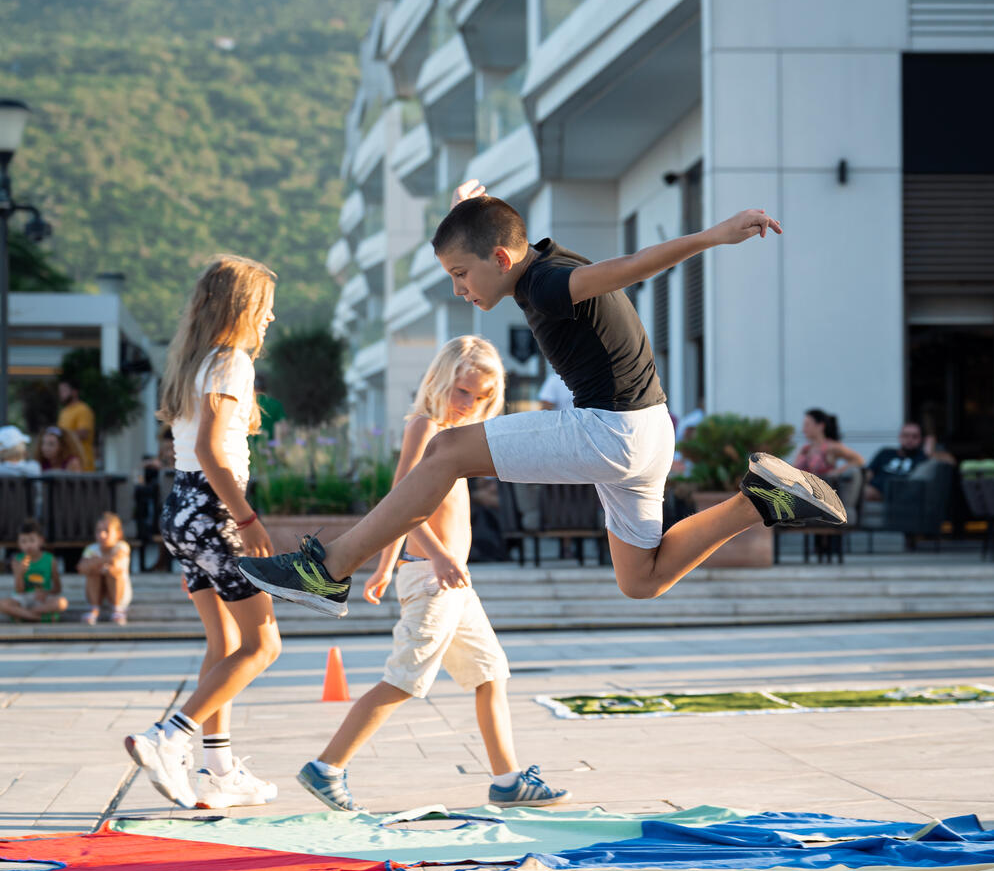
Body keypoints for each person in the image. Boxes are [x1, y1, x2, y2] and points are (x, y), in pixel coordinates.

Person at [240, 183, 846, 619]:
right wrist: (468, 203)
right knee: (643, 579)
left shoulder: (550, 284)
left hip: (611, 431)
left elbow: (629, 266)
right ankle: (757, 501)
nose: (459, 289)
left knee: (446, 447)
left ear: (500, 260)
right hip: (647, 432)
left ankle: (329, 567)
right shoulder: (529, 262)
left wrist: (711, 237)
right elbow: (491, 233)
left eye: (460, 274)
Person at [297, 336, 568, 812]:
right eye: (463, 391)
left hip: (451, 583)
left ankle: (507, 780)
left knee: (490, 673)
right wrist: (436, 557)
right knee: (404, 678)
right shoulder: (425, 427)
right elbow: (401, 503)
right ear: (440, 381)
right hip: (433, 577)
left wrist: (384, 567)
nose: (470, 404)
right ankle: (327, 767)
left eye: (482, 397)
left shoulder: (455, 433)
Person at [123, 254, 282, 811]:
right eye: (264, 307)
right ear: (242, 307)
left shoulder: (196, 362)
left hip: (181, 510)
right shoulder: (232, 361)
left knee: (226, 643)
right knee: (264, 644)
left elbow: (196, 452)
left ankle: (218, 768)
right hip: (213, 512)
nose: (269, 319)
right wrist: (247, 518)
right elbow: (215, 451)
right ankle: (170, 737)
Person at [1, 518, 68, 622]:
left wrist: (46, 593)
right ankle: (39, 618)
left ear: (41, 540)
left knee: (62, 603)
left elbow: (57, 588)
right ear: (18, 543)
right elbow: (19, 590)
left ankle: (22, 614)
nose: (28, 545)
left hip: (42, 598)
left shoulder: (50, 560)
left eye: (32, 540)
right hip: (22, 598)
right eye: (24, 541)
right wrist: (20, 574)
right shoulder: (17, 560)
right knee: (3, 604)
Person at [78, 511, 132, 625]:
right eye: (98, 531)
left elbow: (116, 565)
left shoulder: (122, 546)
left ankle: (118, 608)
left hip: (120, 594)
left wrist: (94, 563)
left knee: (112, 572)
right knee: (94, 573)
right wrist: (104, 562)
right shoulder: (91, 548)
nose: (102, 535)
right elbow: (81, 568)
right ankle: (94, 608)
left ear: (118, 533)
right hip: (98, 593)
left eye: (106, 531)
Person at [865, 421, 935, 504]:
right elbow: (869, 473)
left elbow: (944, 458)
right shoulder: (885, 453)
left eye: (914, 437)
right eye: (906, 436)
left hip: (901, 495)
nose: (910, 440)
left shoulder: (921, 458)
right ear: (900, 437)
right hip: (876, 489)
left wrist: (929, 446)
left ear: (921, 440)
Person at [793, 410, 864, 477]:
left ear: (820, 426)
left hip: (822, 488)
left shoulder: (831, 447)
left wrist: (837, 472)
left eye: (807, 425)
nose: (803, 430)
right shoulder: (805, 449)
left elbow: (859, 460)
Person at [57, 379, 96, 471]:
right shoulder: (64, 411)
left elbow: (83, 433)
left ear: (74, 392)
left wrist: (61, 436)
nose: (61, 394)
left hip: (83, 464)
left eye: (64, 391)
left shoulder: (83, 409)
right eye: (60, 391)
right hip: (68, 464)